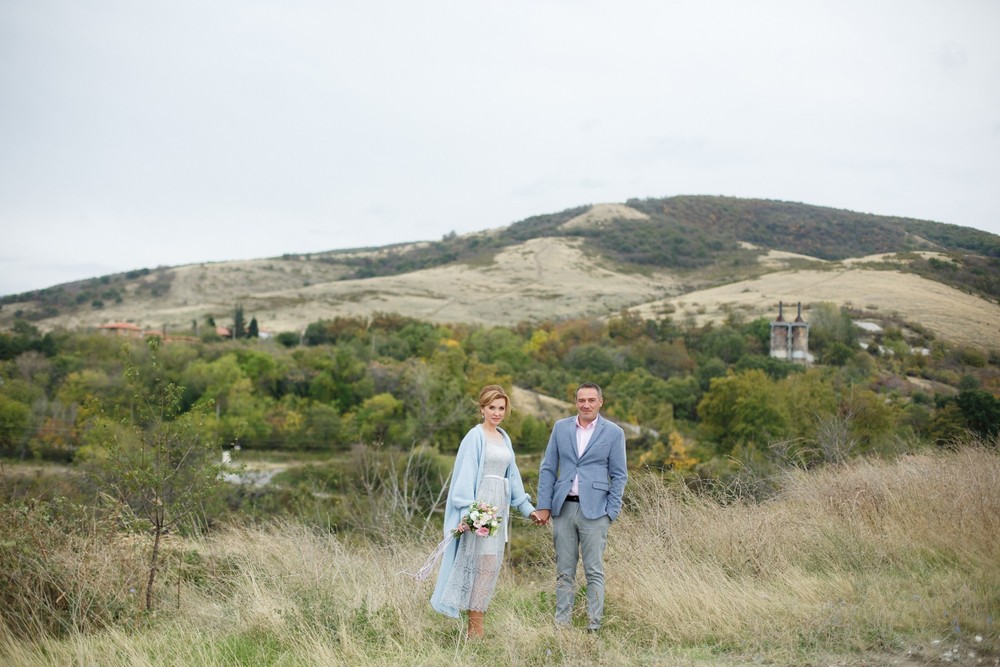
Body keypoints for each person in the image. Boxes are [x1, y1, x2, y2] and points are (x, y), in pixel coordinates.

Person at [430, 385, 544, 638]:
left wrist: (527, 508)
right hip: (481, 508)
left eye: (501, 408)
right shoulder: (475, 436)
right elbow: (465, 474)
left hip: (499, 508)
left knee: (489, 566)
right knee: (477, 563)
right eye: (491, 407)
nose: (496, 412)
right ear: (482, 409)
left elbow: (512, 477)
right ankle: (475, 629)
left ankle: (475, 627)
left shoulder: (504, 437)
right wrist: (469, 513)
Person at [533, 382, 627, 632]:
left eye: (591, 400)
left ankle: (593, 627)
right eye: (581, 400)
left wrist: (611, 512)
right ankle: (561, 625)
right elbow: (548, 468)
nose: (586, 404)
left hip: (596, 512)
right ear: (576, 402)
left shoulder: (614, 432)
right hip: (563, 509)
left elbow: (619, 475)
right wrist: (543, 505)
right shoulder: (561, 428)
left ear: (600, 402)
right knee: (564, 571)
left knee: (594, 571)